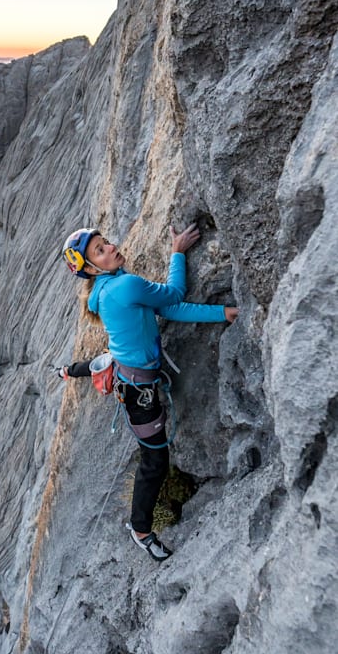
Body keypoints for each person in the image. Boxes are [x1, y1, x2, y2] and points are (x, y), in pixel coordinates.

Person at [61, 223, 238, 562]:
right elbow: (173, 296)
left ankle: (140, 526)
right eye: (100, 250)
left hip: (134, 383)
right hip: (140, 394)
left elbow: (166, 309)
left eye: (106, 243)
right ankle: (140, 530)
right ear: (91, 268)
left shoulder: (110, 286)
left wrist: (221, 313)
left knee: (153, 458)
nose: (111, 248)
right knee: (154, 463)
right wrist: (176, 252)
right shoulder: (123, 286)